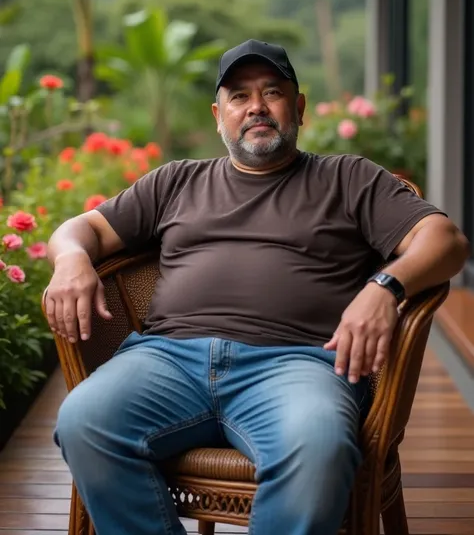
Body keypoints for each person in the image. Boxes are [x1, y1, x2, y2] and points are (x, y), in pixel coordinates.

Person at [46, 39, 469, 535]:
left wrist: (385, 286)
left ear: (299, 107)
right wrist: (72, 257)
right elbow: (83, 229)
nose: (256, 107)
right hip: (166, 360)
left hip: (297, 365)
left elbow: (446, 241)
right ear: (218, 115)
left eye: (272, 92)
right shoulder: (177, 182)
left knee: (320, 444)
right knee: (84, 421)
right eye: (239, 96)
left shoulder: (348, 178)